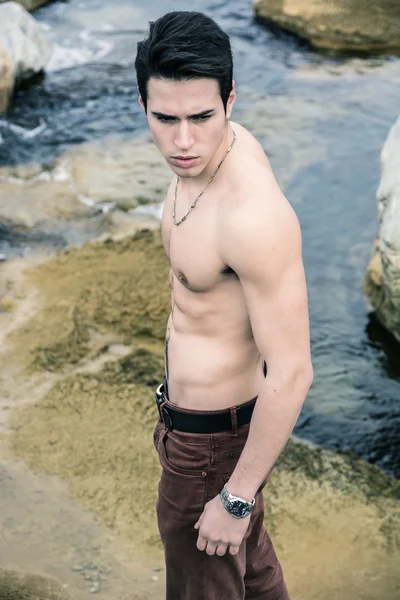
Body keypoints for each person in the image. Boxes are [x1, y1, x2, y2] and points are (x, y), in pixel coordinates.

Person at [135, 10, 313, 600]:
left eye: (202, 117)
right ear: (144, 107)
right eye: (165, 119)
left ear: (230, 100)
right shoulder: (196, 158)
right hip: (201, 434)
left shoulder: (252, 215)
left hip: (212, 451)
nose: (183, 141)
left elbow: (292, 371)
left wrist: (235, 497)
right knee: (255, 579)